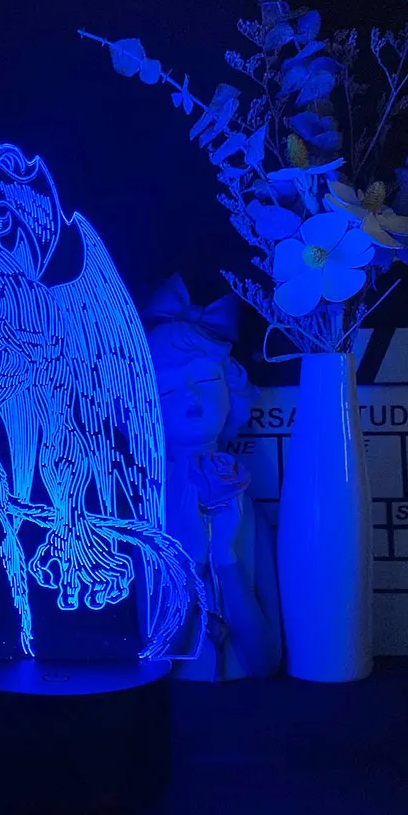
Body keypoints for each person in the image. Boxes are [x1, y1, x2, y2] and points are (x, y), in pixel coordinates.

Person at [144, 275, 282, 680]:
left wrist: (226, 557)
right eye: (166, 392)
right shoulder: (147, 510)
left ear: (231, 389)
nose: (191, 395)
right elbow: (155, 659)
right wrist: (194, 558)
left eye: (206, 378)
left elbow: (265, 662)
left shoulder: (245, 507)